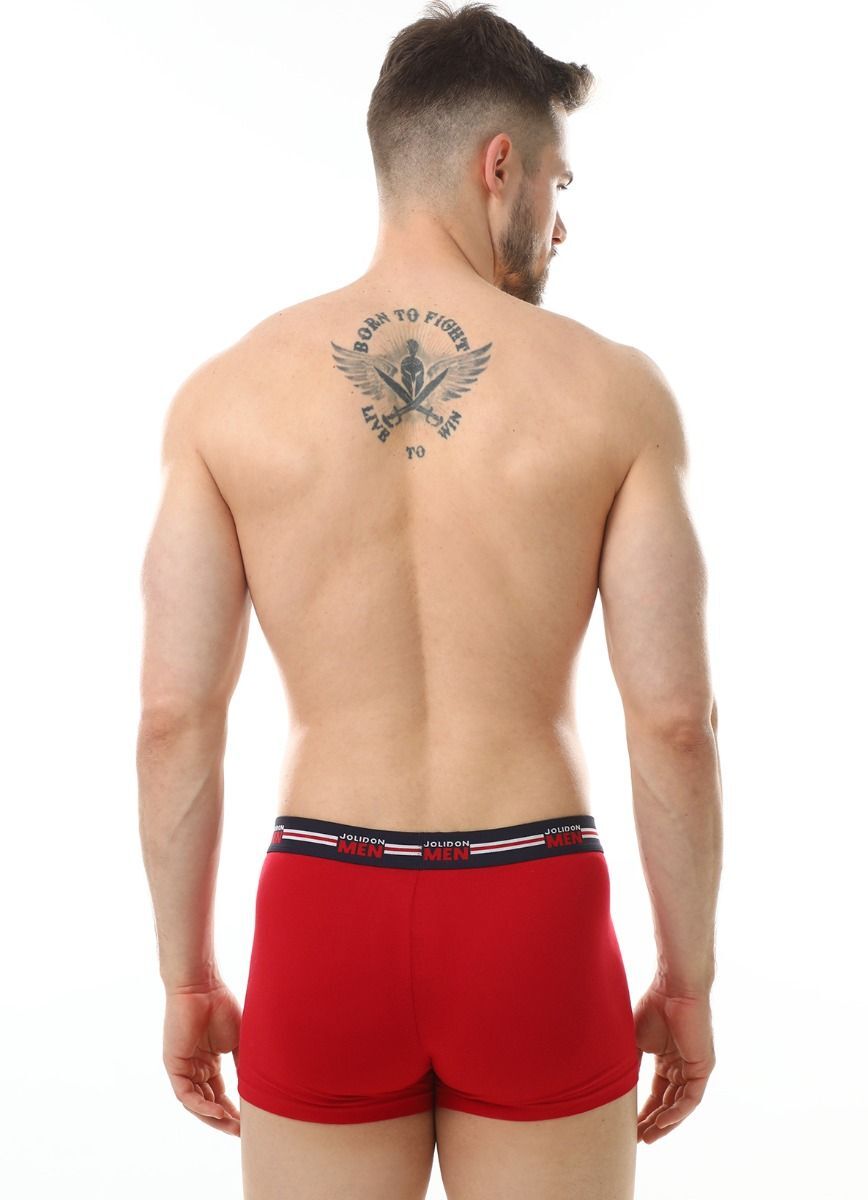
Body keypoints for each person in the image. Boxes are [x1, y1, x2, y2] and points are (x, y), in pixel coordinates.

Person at [136, 2, 722, 1197]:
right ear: (498, 166)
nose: (560, 223)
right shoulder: (611, 394)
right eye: (557, 184)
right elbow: (672, 720)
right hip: (532, 912)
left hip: (323, 909)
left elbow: (173, 718)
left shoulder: (226, 397)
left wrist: (185, 977)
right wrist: (686, 978)